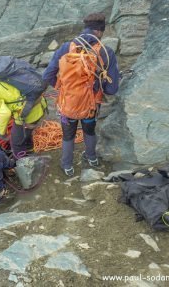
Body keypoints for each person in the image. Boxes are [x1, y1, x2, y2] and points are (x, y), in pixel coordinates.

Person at [42, 12, 120, 176]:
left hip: (67, 103)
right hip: (91, 105)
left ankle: (67, 166)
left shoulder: (65, 47)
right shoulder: (106, 52)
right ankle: (92, 158)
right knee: (89, 131)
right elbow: (111, 89)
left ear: (85, 28)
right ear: (99, 31)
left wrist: (63, 87)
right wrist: (100, 85)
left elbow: (47, 75)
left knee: (68, 136)